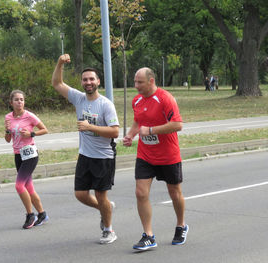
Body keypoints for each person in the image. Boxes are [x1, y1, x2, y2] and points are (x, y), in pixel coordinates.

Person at [52, 54, 119, 244]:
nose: (88, 82)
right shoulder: (79, 99)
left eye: (91, 79)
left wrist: (90, 127)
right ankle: (105, 208)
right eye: (85, 79)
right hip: (85, 155)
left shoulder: (106, 105)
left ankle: (108, 229)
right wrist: (60, 63)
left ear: (98, 81)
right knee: (80, 194)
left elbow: (114, 132)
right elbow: (57, 83)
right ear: (82, 82)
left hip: (103, 157)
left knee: (100, 194)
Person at [123, 67, 188, 251]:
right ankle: (148, 235)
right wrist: (131, 135)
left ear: (151, 81)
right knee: (140, 193)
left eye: (140, 82)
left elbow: (178, 125)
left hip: (168, 155)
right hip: (145, 155)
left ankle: (181, 225)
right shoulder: (136, 100)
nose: (136, 86)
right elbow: (138, 121)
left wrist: (151, 130)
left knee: (174, 192)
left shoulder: (165, 98)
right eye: (135, 82)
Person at [5, 90, 49, 229]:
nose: (20, 102)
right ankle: (42, 214)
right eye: (17, 99)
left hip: (30, 154)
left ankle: (30, 215)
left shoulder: (29, 116)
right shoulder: (8, 117)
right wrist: (7, 131)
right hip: (18, 154)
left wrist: (31, 133)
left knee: (19, 186)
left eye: (22, 99)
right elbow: (8, 140)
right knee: (29, 188)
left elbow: (45, 130)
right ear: (11, 102)